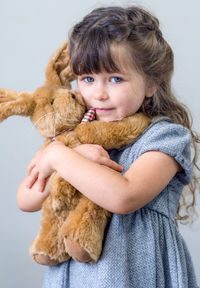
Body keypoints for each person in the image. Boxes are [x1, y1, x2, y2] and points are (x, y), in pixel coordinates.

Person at [17, 6, 200, 288]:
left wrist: (57, 155)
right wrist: (69, 154)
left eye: (116, 79)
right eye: (88, 79)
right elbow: (26, 198)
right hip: (74, 278)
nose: (98, 93)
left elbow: (124, 197)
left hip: (137, 275)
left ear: (151, 83)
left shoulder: (164, 137)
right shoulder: (73, 135)